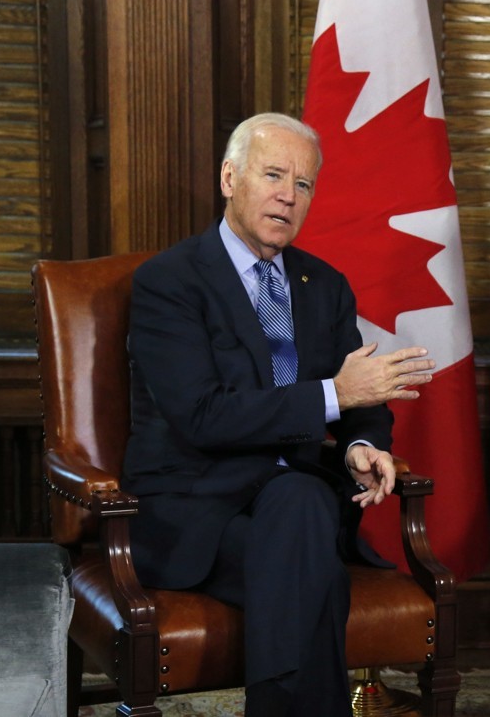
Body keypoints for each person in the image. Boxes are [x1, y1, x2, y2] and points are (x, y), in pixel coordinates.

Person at [121, 113, 435, 716]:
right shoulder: (170, 282)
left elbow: (359, 400)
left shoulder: (325, 285)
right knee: (312, 560)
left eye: (305, 184)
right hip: (199, 509)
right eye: (273, 175)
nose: (288, 196)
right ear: (229, 177)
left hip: (292, 500)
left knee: (302, 505)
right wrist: (336, 397)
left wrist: (359, 447)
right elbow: (202, 416)